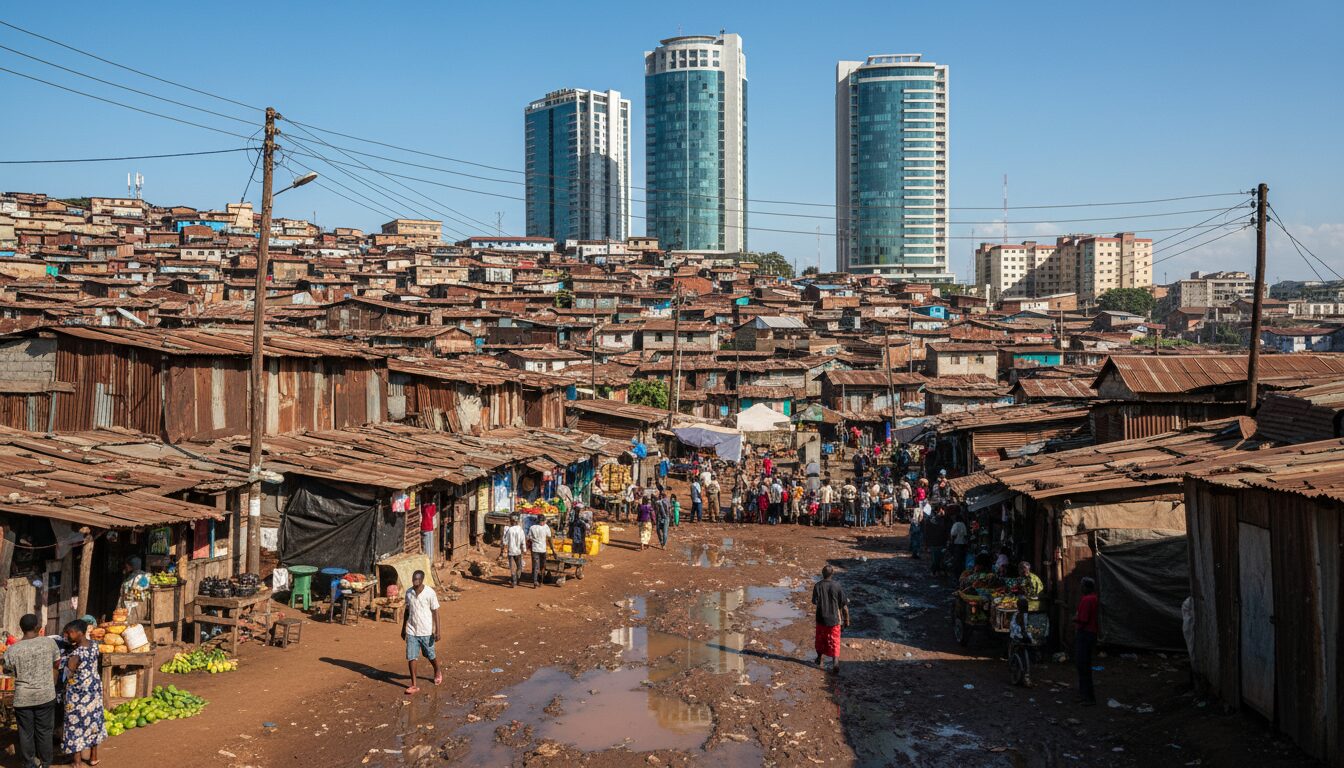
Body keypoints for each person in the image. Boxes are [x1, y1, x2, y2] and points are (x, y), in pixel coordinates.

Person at [5, 613, 59, 768]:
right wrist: (51, 683)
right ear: (37, 627)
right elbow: (56, 664)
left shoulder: (13, 649)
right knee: (44, 732)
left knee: (25, 733)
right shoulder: (49, 643)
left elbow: (8, 669)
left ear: (21, 629)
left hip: (23, 698)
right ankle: (46, 763)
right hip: (46, 695)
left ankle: (29, 764)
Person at [59, 620, 105, 766]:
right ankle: (93, 757)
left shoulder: (78, 653)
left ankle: (77, 761)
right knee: (93, 721)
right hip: (94, 690)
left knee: (75, 724)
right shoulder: (94, 646)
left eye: (70, 633)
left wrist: (65, 664)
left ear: (79, 633)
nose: (68, 636)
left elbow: (70, 672)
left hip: (78, 693)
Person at [401, 570, 441, 694]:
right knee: (411, 657)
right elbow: (407, 611)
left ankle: (437, 670)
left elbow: (435, 612)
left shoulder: (430, 593)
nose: (415, 582)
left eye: (417, 579)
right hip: (412, 630)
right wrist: (403, 628)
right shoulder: (409, 593)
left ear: (422, 580)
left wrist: (437, 630)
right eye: (414, 579)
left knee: (430, 654)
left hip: (426, 630)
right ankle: (413, 684)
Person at [811, 565, 850, 673]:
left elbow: (815, 601)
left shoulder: (817, 586)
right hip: (834, 620)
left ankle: (819, 658)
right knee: (835, 641)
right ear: (832, 574)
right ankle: (835, 663)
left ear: (822, 574)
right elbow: (844, 606)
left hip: (821, 618)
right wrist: (846, 620)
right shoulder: (837, 586)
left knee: (820, 640)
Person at [1074, 577, 1100, 705]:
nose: (1081, 588)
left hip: (1085, 634)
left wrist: (1075, 618)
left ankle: (1087, 697)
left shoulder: (1086, 599)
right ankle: (1085, 695)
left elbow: (1083, 619)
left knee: (1082, 666)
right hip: (1091, 633)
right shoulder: (1094, 598)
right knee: (1085, 666)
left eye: (1082, 586)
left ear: (1086, 587)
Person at [499, 514, 527, 588]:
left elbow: (505, 541)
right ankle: (517, 579)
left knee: (512, 567)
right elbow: (523, 541)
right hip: (518, 552)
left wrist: (504, 548)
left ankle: (513, 581)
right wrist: (524, 549)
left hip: (511, 552)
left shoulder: (509, 530)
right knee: (519, 567)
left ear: (512, 521)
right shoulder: (520, 530)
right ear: (517, 521)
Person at [527, 514, 552, 588]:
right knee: (542, 566)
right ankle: (540, 581)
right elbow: (549, 538)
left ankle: (535, 581)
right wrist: (553, 550)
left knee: (536, 566)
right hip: (542, 550)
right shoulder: (545, 527)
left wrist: (533, 541)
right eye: (544, 521)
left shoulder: (532, 527)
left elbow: (529, 538)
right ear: (542, 521)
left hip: (535, 549)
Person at [924, 506, 949, 575]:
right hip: (939, 542)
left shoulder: (930, 520)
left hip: (934, 543)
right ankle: (935, 570)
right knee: (939, 558)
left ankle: (935, 571)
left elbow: (926, 533)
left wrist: (926, 543)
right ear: (940, 510)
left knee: (936, 558)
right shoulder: (942, 520)